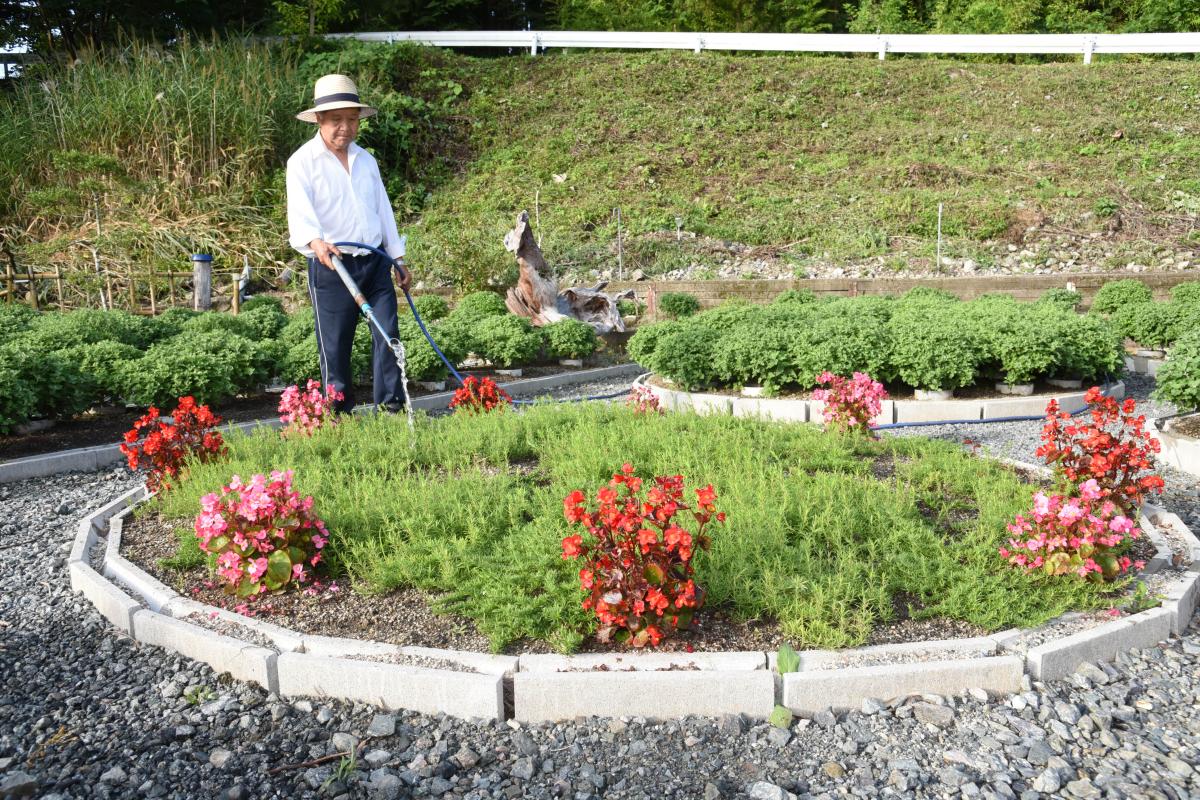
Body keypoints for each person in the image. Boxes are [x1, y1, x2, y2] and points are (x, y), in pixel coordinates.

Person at [286, 73, 412, 414]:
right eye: (337, 120)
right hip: (333, 265)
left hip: (374, 263)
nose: (346, 128)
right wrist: (316, 242)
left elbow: (382, 210)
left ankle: (392, 407)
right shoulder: (302, 162)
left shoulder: (366, 161)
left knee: (388, 335)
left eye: (352, 120)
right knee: (335, 345)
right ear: (319, 120)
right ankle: (338, 413)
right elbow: (300, 213)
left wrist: (397, 258)